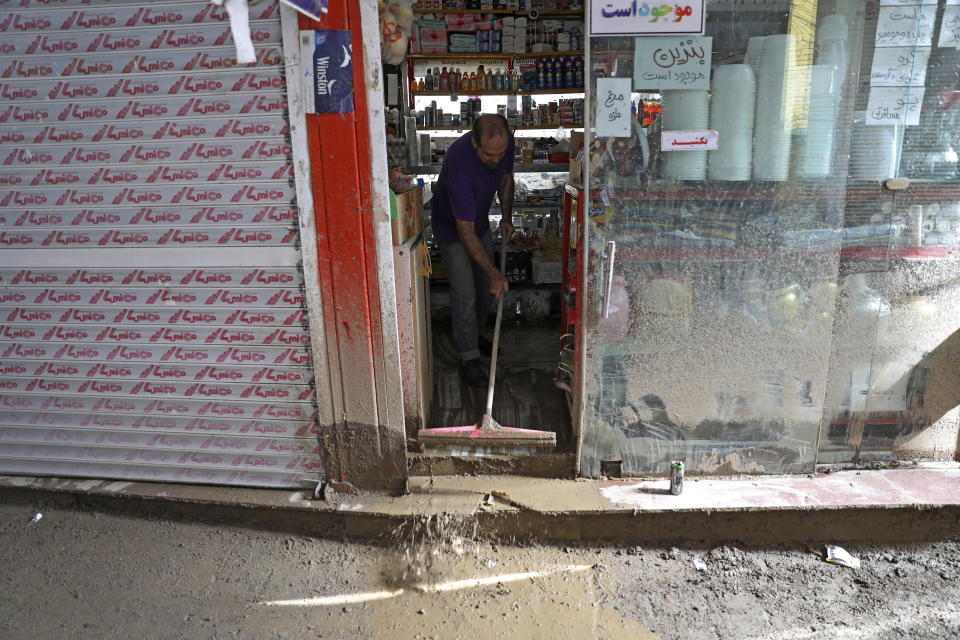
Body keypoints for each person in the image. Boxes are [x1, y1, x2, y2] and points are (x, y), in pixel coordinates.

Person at [431, 114, 516, 388]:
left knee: (484, 289)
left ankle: (475, 334)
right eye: (489, 155)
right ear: (474, 143)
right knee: (465, 290)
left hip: (477, 223)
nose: (495, 159)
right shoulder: (459, 162)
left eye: (500, 153)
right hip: (451, 228)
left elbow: (506, 179)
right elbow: (464, 232)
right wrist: (494, 272)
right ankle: (468, 358)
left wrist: (506, 217)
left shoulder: (505, 144)